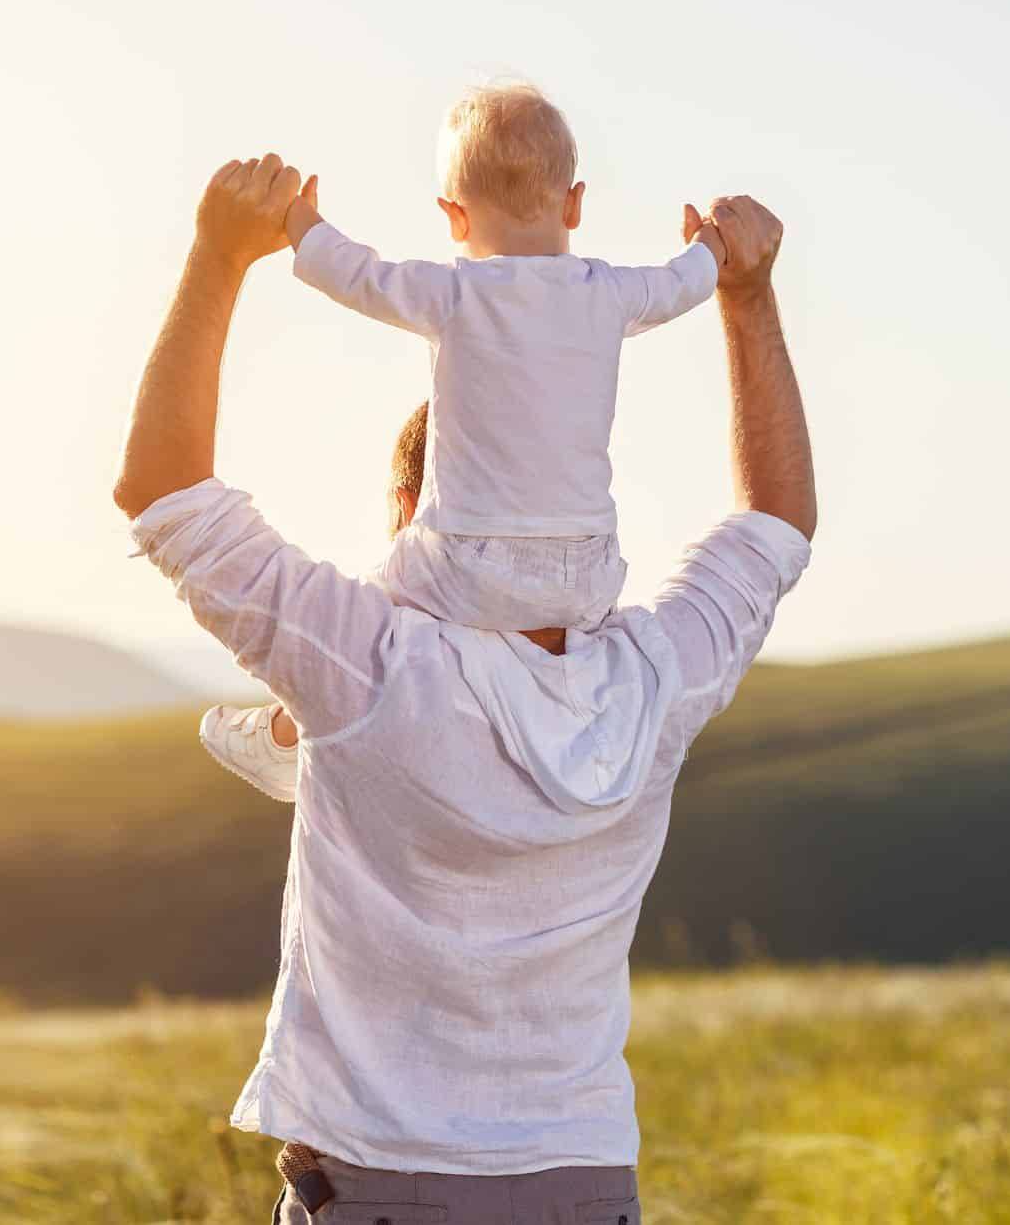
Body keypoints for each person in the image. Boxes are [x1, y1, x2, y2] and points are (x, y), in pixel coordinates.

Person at [113, 153, 815, 1222]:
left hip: (380, 1188)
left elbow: (163, 490)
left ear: (416, 510)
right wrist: (747, 295)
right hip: (585, 1182)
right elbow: (774, 525)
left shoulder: (364, 665)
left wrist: (219, 254)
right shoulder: (653, 679)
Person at [200, 82, 725, 793]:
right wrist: (709, 243)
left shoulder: (452, 294)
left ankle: (283, 735)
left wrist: (301, 221)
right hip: (588, 572)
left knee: (359, 625)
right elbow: (686, 282)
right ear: (574, 204)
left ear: (453, 216)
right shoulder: (613, 293)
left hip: (465, 564)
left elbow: (356, 274)